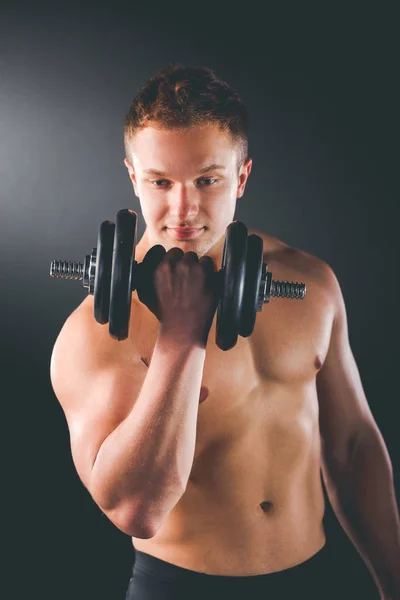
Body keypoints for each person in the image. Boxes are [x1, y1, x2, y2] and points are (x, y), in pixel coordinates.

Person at [50, 65, 400, 600]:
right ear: (133, 179)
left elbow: (352, 445)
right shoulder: (94, 334)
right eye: (161, 182)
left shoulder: (311, 283)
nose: (183, 209)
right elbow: (136, 511)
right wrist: (181, 335)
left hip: (316, 579)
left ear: (241, 176)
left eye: (207, 180)